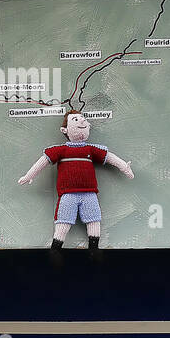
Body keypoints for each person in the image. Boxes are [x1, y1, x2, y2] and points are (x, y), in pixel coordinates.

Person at [19, 109, 134, 258]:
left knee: (94, 218)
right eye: (75, 120)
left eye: (83, 120)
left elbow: (110, 157)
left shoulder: (91, 149)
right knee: (63, 220)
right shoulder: (61, 150)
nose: (81, 121)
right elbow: (43, 161)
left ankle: (94, 248)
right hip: (68, 195)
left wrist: (124, 167)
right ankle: (55, 250)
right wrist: (29, 175)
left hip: (89, 193)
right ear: (65, 130)